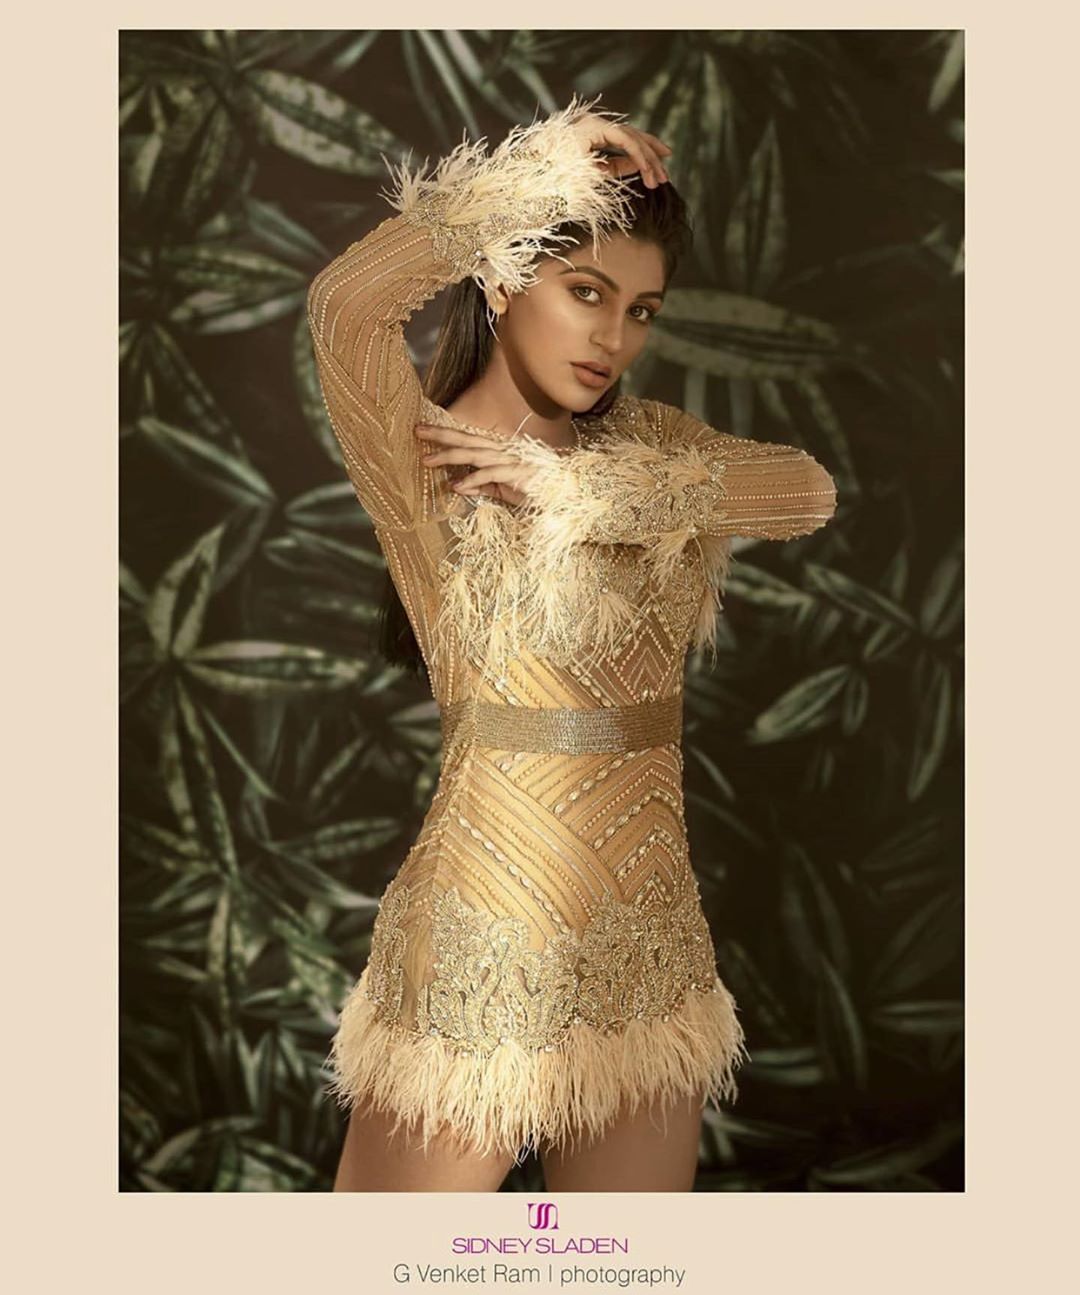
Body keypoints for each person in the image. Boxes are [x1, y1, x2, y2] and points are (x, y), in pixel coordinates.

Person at [306, 91, 837, 1192]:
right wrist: (535, 172)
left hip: (649, 942)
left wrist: (581, 492)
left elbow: (806, 491)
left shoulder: (651, 447)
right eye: (585, 291)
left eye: (641, 309)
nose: (612, 337)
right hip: (481, 936)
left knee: (621, 1263)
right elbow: (345, 307)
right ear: (505, 280)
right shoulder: (425, 455)